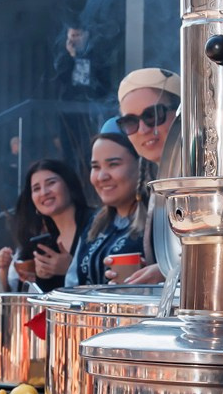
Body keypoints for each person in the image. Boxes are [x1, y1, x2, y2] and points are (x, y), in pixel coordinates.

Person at [113, 66, 181, 284]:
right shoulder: (159, 181)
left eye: (152, 115)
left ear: (180, 113)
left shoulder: (209, 174)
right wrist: (141, 275)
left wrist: (170, 271)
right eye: (130, 122)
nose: (142, 129)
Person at [65, 121, 147, 286]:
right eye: (95, 167)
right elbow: (71, 284)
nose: (102, 177)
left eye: (113, 164)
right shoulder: (95, 223)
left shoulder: (158, 220)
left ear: (140, 166)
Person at [0, 159, 92, 294]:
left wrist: (69, 269)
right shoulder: (45, 242)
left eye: (51, 183)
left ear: (69, 184)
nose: (44, 192)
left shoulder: (94, 225)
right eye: (36, 188)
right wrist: (38, 280)